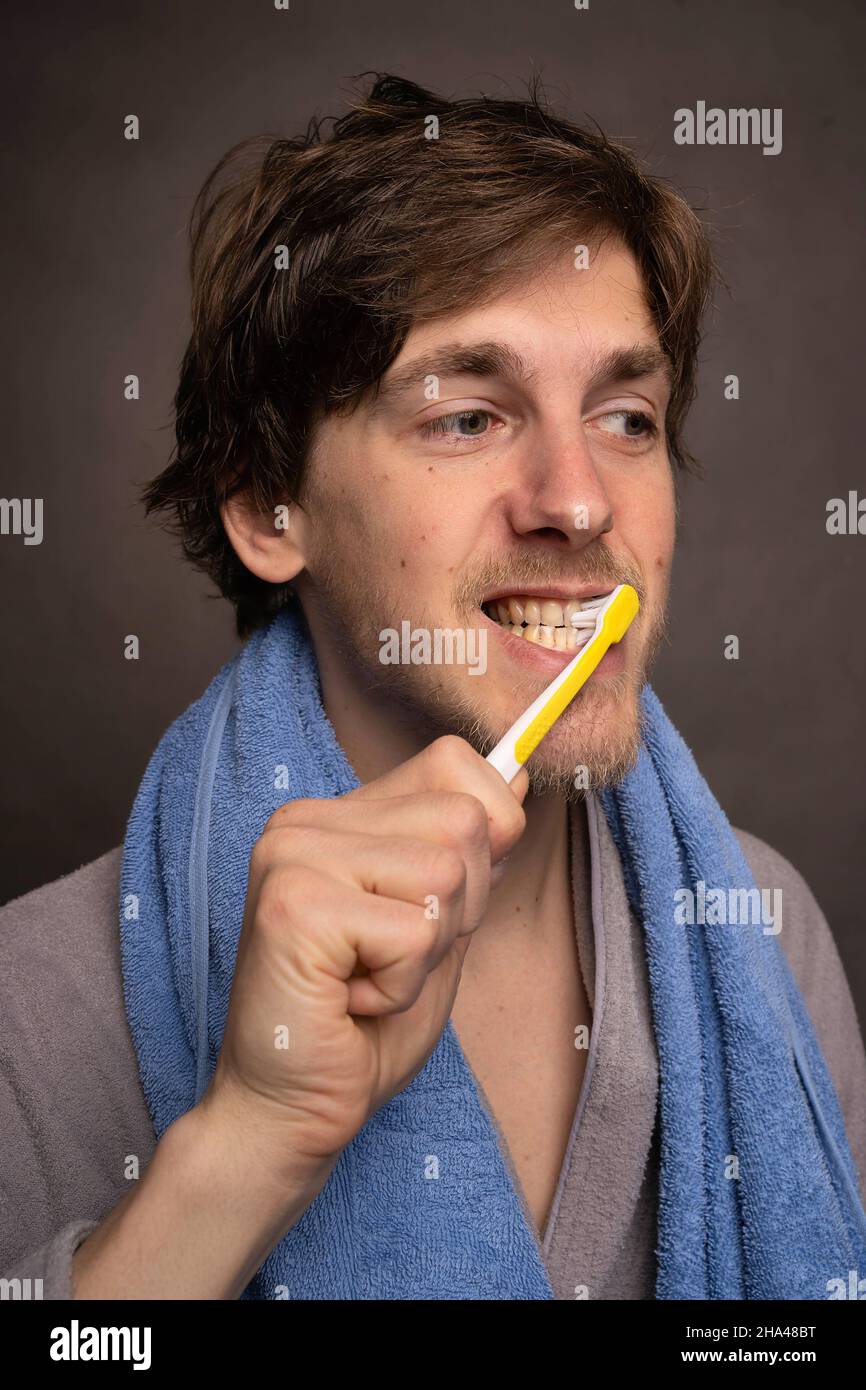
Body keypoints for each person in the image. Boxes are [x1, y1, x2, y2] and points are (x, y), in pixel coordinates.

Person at [2, 72, 865, 1302]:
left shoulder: (765, 932)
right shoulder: (30, 1010)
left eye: (625, 417)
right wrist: (245, 1144)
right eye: (467, 417)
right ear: (265, 504)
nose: (577, 501)